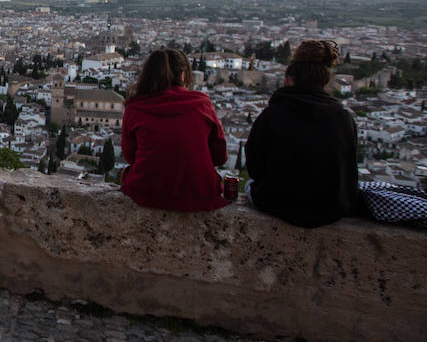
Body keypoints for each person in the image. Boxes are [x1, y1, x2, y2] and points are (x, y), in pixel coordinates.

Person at [245, 40, 360, 228]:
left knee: (249, 186)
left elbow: (254, 168)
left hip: (277, 203)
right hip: (331, 209)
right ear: (324, 82)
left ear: (288, 79)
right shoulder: (343, 117)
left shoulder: (273, 114)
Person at [119, 48, 228, 212]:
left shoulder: (135, 107)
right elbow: (220, 157)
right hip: (198, 192)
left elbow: (130, 155)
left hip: (147, 190)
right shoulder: (202, 105)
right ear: (183, 74)